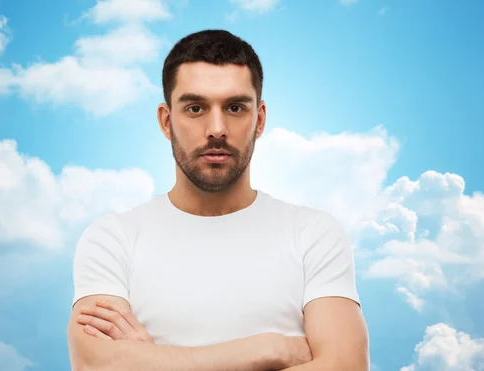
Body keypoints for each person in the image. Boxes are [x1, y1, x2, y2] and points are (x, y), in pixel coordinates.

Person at [67, 29, 370, 371]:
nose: (216, 129)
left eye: (235, 107)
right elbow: (96, 365)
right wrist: (267, 350)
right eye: (195, 108)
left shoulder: (314, 234)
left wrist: (156, 361)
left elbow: (346, 366)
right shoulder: (113, 238)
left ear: (260, 119)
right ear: (167, 122)